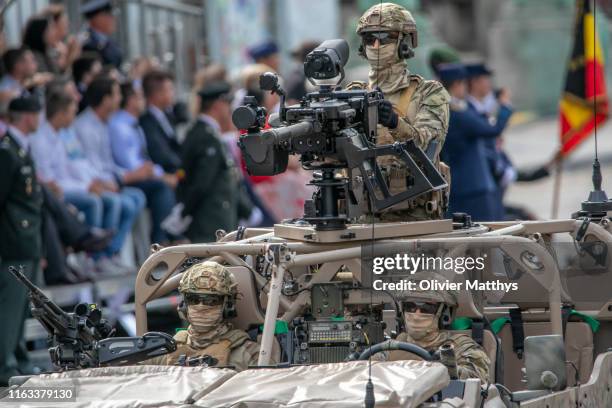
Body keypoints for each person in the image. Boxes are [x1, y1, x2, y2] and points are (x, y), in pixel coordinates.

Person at [353, 2, 451, 222]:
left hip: (412, 218)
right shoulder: (354, 94)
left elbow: (427, 148)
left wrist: (395, 123)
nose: (375, 45)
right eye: (369, 39)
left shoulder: (429, 93)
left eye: (384, 37)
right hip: (360, 217)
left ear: (403, 43)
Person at [73, 76, 146, 262]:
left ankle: (112, 251)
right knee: (118, 202)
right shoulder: (85, 126)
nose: (119, 99)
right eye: (116, 95)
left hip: (106, 180)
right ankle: (99, 257)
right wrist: (108, 183)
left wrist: (118, 177)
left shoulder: (104, 123)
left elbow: (107, 163)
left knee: (137, 197)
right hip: (91, 183)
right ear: (105, 99)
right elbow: (89, 164)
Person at [169, 81, 253, 243]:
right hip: (210, 223)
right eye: (227, 104)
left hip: (218, 220)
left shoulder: (208, 133)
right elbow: (202, 182)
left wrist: (245, 210)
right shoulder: (205, 136)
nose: (229, 109)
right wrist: (184, 212)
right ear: (218, 105)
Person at [144, 261, 263, 371]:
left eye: (211, 301)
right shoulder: (166, 350)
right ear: (184, 305)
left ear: (228, 306)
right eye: (193, 299)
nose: (201, 306)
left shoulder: (248, 353)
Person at [0, 96, 44, 385]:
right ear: (27, 116)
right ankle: (5, 365)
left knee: (21, 306)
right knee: (9, 306)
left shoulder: (20, 149)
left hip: (26, 238)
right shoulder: (6, 152)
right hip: (12, 240)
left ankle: (19, 357)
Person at [439, 63, 513, 221]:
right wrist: (505, 107)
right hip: (472, 188)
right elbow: (492, 130)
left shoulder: (449, 110)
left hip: (463, 187)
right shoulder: (457, 113)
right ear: (458, 84)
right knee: (484, 237)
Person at [386, 273, 490, 383]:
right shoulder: (393, 346)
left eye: (426, 308)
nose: (416, 315)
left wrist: (448, 369)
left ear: (444, 313)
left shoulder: (461, 346)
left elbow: (478, 381)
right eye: (410, 307)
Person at [109, 82, 178, 244]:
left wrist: (161, 174)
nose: (144, 101)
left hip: (142, 174)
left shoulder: (134, 125)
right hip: (128, 179)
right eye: (139, 97)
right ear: (131, 100)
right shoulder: (119, 126)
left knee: (172, 183)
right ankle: (159, 241)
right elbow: (131, 165)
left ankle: (173, 236)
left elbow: (144, 160)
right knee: (162, 188)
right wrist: (160, 176)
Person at [139, 70, 181, 173]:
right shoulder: (147, 123)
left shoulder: (167, 115)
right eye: (170, 89)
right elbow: (161, 154)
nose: (173, 93)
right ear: (157, 94)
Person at [81, 0, 123, 69]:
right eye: (110, 16)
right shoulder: (86, 43)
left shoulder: (109, 41)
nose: (114, 19)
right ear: (98, 18)